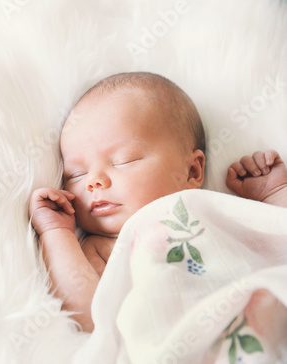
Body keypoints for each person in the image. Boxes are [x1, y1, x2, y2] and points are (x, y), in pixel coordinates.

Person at [28, 72, 287, 333]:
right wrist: (55, 233)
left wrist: (275, 194)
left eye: (124, 160)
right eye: (76, 174)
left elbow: (278, 248)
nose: (92, 181)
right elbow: (89, 316)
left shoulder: (212, 210)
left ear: (192, 172)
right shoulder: (105, 248)